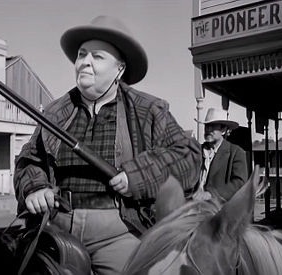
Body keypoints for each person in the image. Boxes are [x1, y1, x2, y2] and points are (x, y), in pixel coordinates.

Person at [13, 15, 201, 274]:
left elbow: (189, 158)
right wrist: (34, 187)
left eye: (97, 57)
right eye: (81, 54)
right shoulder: (56, 111)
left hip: (120, 230)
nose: (84, 62)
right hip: (57, 226)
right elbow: (29, 160)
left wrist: (136, 176)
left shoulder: (149, 110)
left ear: (120, 68)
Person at [193, 108, 248, 202]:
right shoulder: (196, 151)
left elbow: (239, 183)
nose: (208, 130)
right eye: (207, 126)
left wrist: (211, 195)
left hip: (221, 211)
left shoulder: (236, 153)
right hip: (194, 210)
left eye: (213, 126)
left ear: (223, 130)